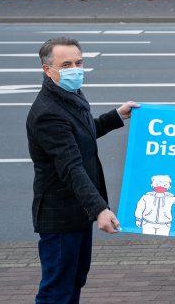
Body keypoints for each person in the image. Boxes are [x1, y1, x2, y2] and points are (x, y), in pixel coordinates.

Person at [27, 37, 138, 304]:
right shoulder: (48, 113)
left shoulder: (69, 94)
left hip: (77, 210)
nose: (75, 69)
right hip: (61, 216)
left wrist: (116, 115)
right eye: (66, 64)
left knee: (74, 281)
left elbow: (82, 135)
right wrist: (100, 209)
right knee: (57, 291)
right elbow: (71, 167)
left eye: (79, 62)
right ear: (47, 69)